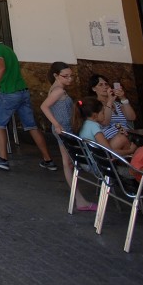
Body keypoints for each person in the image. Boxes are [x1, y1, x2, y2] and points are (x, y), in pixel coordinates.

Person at [0, 28, 57, 172]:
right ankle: (48, 159)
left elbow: (1, 67)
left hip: (9, 92)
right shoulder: (8, 49)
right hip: (23, 91)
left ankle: (3, 159)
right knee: (32, 126)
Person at [40, 62, 96, 212]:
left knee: (68, 164)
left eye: (71, 76)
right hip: (63, 129)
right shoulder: (58, 91)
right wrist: (57, 124)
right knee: (69, 164)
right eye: (66, 76)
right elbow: (44, 106)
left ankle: (79, 199)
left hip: (64, 128)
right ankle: (79, 199)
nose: (70, 79)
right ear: (56, 76)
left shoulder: (58, 89)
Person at [88, 73, 137, 141]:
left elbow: (132, 117)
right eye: (100, 85)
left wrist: (123, 98)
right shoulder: (94, 104)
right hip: (111, 140)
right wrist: (110, 102)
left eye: (106, 84)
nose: (105, 87)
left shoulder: (117, 104)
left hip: (128, 136)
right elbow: (105, 122)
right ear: (93, 88)